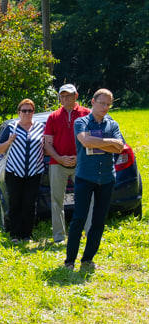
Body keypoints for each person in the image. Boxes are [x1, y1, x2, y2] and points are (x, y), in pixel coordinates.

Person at [64, 89, 125, 271]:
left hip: (106, 178)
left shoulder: (112, 124)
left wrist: (99, 140)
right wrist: (109, 142)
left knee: (99, 221)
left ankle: (87, 259)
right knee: (79, 219)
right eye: (102, 103)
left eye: (108, 104)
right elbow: (85, 142)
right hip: (85, 177)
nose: (105, 107)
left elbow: (120, 147)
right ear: (93, 101)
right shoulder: (81, 122)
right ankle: (69, 261)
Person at [44, 84, 91, 242]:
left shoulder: (87, 114)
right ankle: (59, 237)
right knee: (56, 200)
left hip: (82, 163)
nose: (64, 99)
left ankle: (89, 233)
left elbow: (92, 141)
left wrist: (79, 157)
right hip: (57, 163)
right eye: (62, 96)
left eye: (68, 96)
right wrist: (59, 158)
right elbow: (47, 143)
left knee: (86, 199)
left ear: (76, 96)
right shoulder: (53, 116)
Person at [0, 99, 46, 242]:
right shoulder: (11, 127)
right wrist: (9, 141)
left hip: (34, 171)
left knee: (29, 203)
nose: (27, 113)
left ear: (33, 112)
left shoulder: (40, 127)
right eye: (24, 110)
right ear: (19, 112)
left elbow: (46, 146)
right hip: (14, 171)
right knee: (15, 203)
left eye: (30, 111)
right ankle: (15, 234)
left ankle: (27, 234)